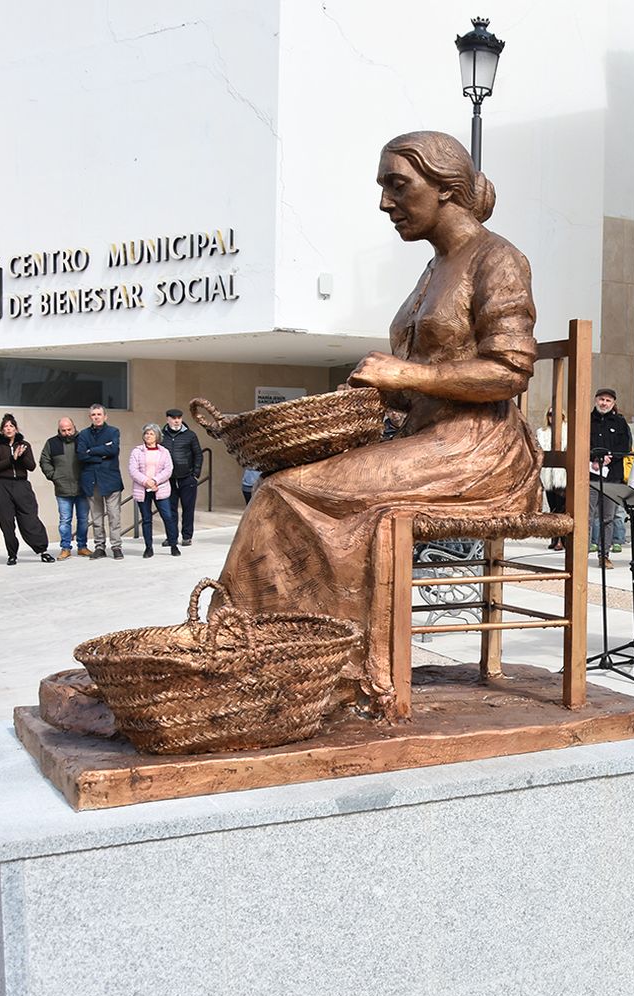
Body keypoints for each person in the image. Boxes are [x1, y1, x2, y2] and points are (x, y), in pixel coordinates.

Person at [218, 130, 543, 714]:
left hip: (479, 451)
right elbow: (417, 374)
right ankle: (265, 659)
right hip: (428, 441)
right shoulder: (432, 269)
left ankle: (323, 671)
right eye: (383, 187)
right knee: (290, 482)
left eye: (399, 185)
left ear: (447, 189)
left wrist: (403, 377)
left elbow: (510, 370)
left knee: (291, 494)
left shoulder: (499, 258)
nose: (386, 202)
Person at [0, 414, 54, 565]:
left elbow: (31, 466)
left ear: (16, 429)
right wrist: (12, 458)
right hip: (2, 486)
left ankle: (43, 550)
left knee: (30, 518)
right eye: (6, 427)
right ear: (2, 430)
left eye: (11, 426)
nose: (9, 429)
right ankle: (12, 554)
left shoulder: (24, 445)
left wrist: (21, 456)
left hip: (22, 485)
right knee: (7, 522)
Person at [588, 387, 632, 568]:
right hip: (590, 474)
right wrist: (594, 457)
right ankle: (579, 554)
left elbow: (625, 447)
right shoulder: (587, 420)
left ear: (613, 403)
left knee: (608, 517)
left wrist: (610, 457)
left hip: (611, 476)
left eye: (608, 400)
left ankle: (604, 555)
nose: (604, 403)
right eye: (601, 399)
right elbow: (580, 442)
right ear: (596, 400)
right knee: (586, 516)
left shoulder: (620, 422)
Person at [77, 405, 125, 559]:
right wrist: (102, 452)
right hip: (91, 480)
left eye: (99, 414)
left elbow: (113, 450)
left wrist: (92, 451)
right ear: (90, 417)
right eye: (93, 414)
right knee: (96, 518)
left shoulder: (113, 431)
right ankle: (99, 547)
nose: (96, 417)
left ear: (105, 416)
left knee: (114, 516)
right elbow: (81, 455)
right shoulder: (83, 435)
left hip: (110, 480)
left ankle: (116, 546)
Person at [40, 417, 91, 559]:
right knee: (64, 521)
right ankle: (65, 548)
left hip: (82, 487)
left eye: (69, 429)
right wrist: (53, 476)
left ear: (74, 427)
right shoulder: (52, 443)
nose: (67, 433)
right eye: (63, 430)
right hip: (62, 489)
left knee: (83, 520)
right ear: (59, 430)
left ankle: (82, 546)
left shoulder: (83, 439)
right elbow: (44, 460)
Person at [127, 424, 180, 558]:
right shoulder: (137, 451)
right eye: (146, 433)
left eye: (151, 434)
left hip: (160, 488)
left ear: (157, 436)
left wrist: (155, 481)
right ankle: (148, 547)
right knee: (146, 519)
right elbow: (133, 470)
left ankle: (173, 544)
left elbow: (168, 470)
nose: (148, 436)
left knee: (168, 517)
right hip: (142, 488)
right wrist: (146, 481)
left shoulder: (164, 452)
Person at [161, 408, 205, 547]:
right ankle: (171, 537)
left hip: (187, 478)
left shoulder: (190, 435)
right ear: (167, 419)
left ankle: (187, 536)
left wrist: (195, 474)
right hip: (168, 479)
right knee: (170, 510)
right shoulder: (161, 435)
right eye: (173, 418)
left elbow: (198, 454)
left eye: (179, 418)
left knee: (188, 509)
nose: (176, 421)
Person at [538, 408, 567, 551]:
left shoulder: (568, 431)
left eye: (556, 415)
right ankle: (554, 537)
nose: (553, 418)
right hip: (547, 474)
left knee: (562, 508)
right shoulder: (541, 432)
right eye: (550, 414)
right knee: (552, 508)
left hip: (562, 475)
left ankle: (562, 539)